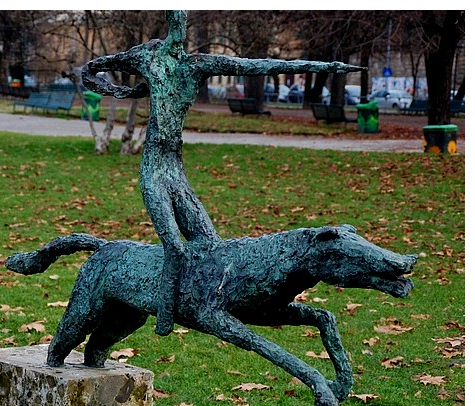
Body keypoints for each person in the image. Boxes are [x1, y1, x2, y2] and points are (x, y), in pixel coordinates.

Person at [82, 10, 363, 336]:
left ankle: (208, 306)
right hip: (155, 172)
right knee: (174, 246)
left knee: (209, 244)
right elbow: (91, 71)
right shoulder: (145, 56)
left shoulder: (197, 65)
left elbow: (257, 65)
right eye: (174, 16)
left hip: (176, 171)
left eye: (183, 18)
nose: (179, 23)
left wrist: (323, 67)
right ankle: (166, 311)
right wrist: (129, 93)